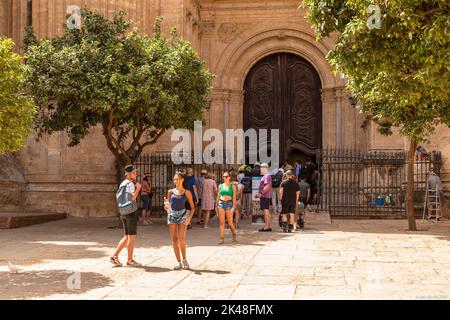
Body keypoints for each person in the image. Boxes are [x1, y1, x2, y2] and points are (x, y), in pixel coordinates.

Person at [110, 165, 142, 267]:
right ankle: (130, 260)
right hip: (131, 212)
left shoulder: (122, 184)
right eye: (134, 173)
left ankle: (114, 256)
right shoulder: (130, 184)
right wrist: (138, 188)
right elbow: (132, 198)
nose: (135, 174)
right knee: (131, 237)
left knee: (127, 236)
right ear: (129, 174)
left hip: (123, 211)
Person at [164, 172, 196, 270]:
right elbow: (168, 204)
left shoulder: (187, 192)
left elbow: (192, 208)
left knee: (182, 239)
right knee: (174, 240)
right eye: (174, 179)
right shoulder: (170, 191)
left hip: (183, 215)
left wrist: (189, 218)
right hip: (172, 215)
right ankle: (178, 262)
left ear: (182, 180)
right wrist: (166, 207)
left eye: (177, 179)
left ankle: (184, 260)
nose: (176, 181)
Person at [216, 171, 238, 244]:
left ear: (229, 177)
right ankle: (221, 239)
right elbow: (218, 196)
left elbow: (234, 197)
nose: (224, 178)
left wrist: (233, 207)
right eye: (223, 176)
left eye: (226, 176)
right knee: (221, 223)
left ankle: (234, 234)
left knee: (230, 223)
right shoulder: (220, 186)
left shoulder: (233, 186)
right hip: (221, 203)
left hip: (229, 204)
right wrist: (216, 205)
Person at [257, 163, 273, 232]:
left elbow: (267, 186)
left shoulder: (266, 176)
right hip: (266, 196)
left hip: (265, 196)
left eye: (261, 167)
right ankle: (268, 226)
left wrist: (261, 193)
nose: (260, 169)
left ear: (265, 168)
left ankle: (266, 227)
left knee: (265, 211)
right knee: (267, 211)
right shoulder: (267, 176)